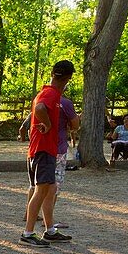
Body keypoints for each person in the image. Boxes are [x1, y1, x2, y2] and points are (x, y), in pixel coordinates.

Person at [21, 60, 76, 247]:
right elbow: (40, 109)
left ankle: (49, 230)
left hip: (42, 148)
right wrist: (50, 124)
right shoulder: (52, 94)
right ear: (68, 78)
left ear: (53, 74)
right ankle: (28, 233)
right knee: (42, 189)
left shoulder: (44, 92)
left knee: (50, 189)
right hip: (43, 149)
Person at [20, 93, 79, 229]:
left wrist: (24, 139)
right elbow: (75, 126)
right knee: (53, 186)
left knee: (35, 185)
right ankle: (47, 223)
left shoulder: (38, 102)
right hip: (55, 149)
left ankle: (28, 215)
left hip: (35, 150)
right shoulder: (65, 104)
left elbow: (23, 128)